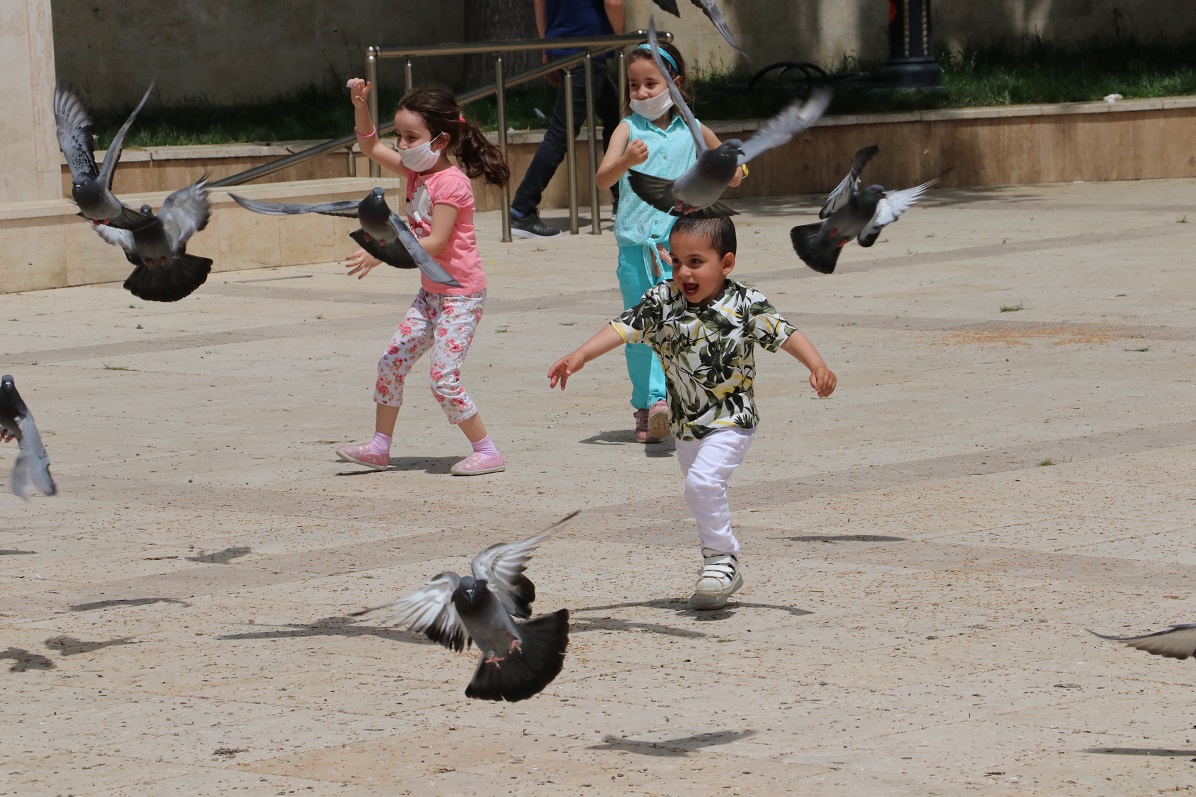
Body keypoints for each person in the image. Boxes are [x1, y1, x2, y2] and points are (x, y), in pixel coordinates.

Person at [547, 216, 837, 609]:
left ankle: (722, 557)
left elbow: (785, 333)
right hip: (686, 425)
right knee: (703, 493)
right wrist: (579, 354)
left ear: (726, 263)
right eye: (677, 261)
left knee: (701, 484)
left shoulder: (746, 304)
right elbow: (622, 327)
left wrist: (816, 365)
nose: (684, 272)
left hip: (732, 418)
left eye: (696, 261)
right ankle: (716, 566)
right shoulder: (662, 301)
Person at [337, 79, 511, 476]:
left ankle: (487, 451)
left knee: (443, 379)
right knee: (391, 362)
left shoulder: (452, 183)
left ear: (440, 139)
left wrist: (380, 251)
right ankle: (380, 448)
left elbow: (435, 241)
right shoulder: (417, 172)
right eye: (398, 134)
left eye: (410, 136)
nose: (400, 144)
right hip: (431, 295)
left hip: (461, 296)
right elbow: (369, 146)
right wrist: (361, 106)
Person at [593, 37, 743, 443]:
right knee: (641, 329)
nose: (641, 93)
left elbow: (730, 165)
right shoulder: (627, 128)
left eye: (651, 84)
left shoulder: (693, 128)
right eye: (634, 85)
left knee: (682, 327)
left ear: (674, 84)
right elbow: (602, 177)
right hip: (636, 249)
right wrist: (625, 161)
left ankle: (675, 402)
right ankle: (648, 405)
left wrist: (734, 173)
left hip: (681, 250)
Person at [509, 0, 625, 239]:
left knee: (614, 112)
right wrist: (620, 38)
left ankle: (620, 197)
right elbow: (614, 2)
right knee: (560, 134)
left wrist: (547, 47)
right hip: (589, 47)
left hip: (563, 45)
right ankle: (521, 209)